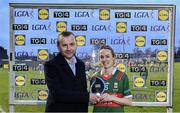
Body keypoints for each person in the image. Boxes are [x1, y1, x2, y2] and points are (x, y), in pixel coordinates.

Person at [44, 31, 99, 112]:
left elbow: (82, 90)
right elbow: (57, 94)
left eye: (71, 44)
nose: (69, 48)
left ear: (76, 45)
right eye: (64, 45)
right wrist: (87, 97)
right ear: (58, 47)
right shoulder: (51, 65)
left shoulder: (80, 64)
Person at [91, 45, 132, 112]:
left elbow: (129, 101)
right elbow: (92, 100)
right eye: (102, 57)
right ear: (99, 59)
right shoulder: (94, 77)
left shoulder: (122, 76)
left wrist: (111, 98)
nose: (104, 59)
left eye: (107, 56)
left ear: (113, 58)